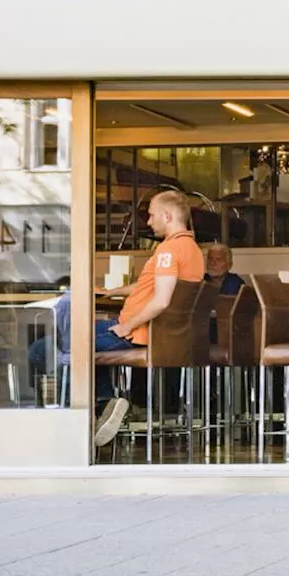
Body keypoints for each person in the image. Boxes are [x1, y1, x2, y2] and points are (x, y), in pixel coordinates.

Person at [92, 190, 204, 446]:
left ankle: (101, 407)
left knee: (59, 344)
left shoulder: (168, 250)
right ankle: (105, 405)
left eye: (151, 215)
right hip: (163, 336)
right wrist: (111, 292)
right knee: (75, 338)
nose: (148, 221)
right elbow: (151, 286)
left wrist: (126, 326)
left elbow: (162, 300)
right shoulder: (193, 250)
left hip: (137, 334)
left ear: (167, 216)